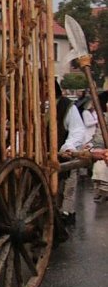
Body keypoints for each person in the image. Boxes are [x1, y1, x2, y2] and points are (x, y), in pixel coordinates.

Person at [56, 80, 86, 225]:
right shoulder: (32, 104)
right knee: (56, 189)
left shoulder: (67, 106)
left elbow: (78, 130)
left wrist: (69, 146)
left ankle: (67, 213)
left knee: (68, 187)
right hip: (46, 156)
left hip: (67, 154)